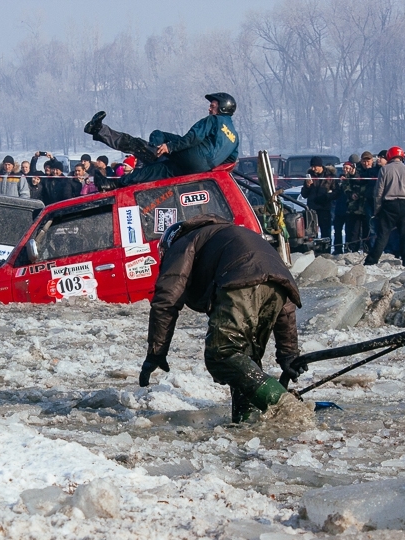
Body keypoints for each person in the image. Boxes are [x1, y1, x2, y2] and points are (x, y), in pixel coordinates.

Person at [139, 215, 305, 423]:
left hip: (240, 279)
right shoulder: (227, 235)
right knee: (244, 361)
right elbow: (286, 304)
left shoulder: (183, 242)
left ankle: (288, 410)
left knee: (221, 354)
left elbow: (166, 300)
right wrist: (288, 353)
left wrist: (156, 353)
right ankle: (247, 423)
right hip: (280, 286)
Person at [85, 92, 239, 187]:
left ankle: (151, 151)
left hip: (192, 156)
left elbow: (193, 138)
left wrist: (169, 148)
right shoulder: (235, 138)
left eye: (212, 105)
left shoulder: (214, 120)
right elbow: (230, 162)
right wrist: (207, 174)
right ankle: (112, 183)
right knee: (156, 170)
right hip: (198, 169)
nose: (209, 108)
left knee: (155, 137)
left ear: (222, 108)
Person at [364, 147, 405, 267]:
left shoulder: (384, 169)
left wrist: (377, 209)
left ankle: (371, 261)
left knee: (383, 235)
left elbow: (379, 191)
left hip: (389, 204)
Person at [301, 157, 338, 250]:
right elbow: (304, 194)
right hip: (312, 209)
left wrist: (326, 197)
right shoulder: (309, 175)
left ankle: (326, 250)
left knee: (326, 231)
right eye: (312, 167)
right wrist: (307, 186)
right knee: (311, 233)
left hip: (324, 208)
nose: (313, 169)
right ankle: (314, 250)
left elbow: (337, 192)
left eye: (315, 167)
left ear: (320, 165)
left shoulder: (330, 176)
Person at [339, 160, 367, 252]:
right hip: (348, 208)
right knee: (350, 230)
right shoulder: (344, 179)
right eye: (344, 168)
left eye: (347, 168)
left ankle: (359, 248)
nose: (345, 170)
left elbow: (362, 186)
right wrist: (350, 194)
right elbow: (345, 189)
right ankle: (349, 248)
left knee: (359, 230)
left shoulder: (359, 176)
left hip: (360, 207)